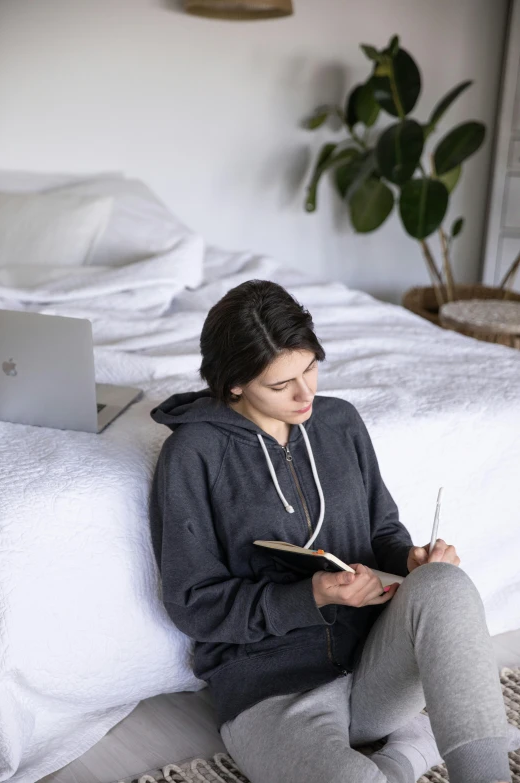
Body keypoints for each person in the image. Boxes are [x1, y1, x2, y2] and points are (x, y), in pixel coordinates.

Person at [149, 279, 519, 783]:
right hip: (272, 692)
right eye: (281, 386)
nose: (307, 394)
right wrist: (313, 597)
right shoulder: (193, 455)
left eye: (310, 368)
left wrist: (408, 559)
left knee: (446, 584)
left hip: (372, 670)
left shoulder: (340, 422)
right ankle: (406, 752)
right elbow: (192, 601)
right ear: (234, 384)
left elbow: (383, 530)